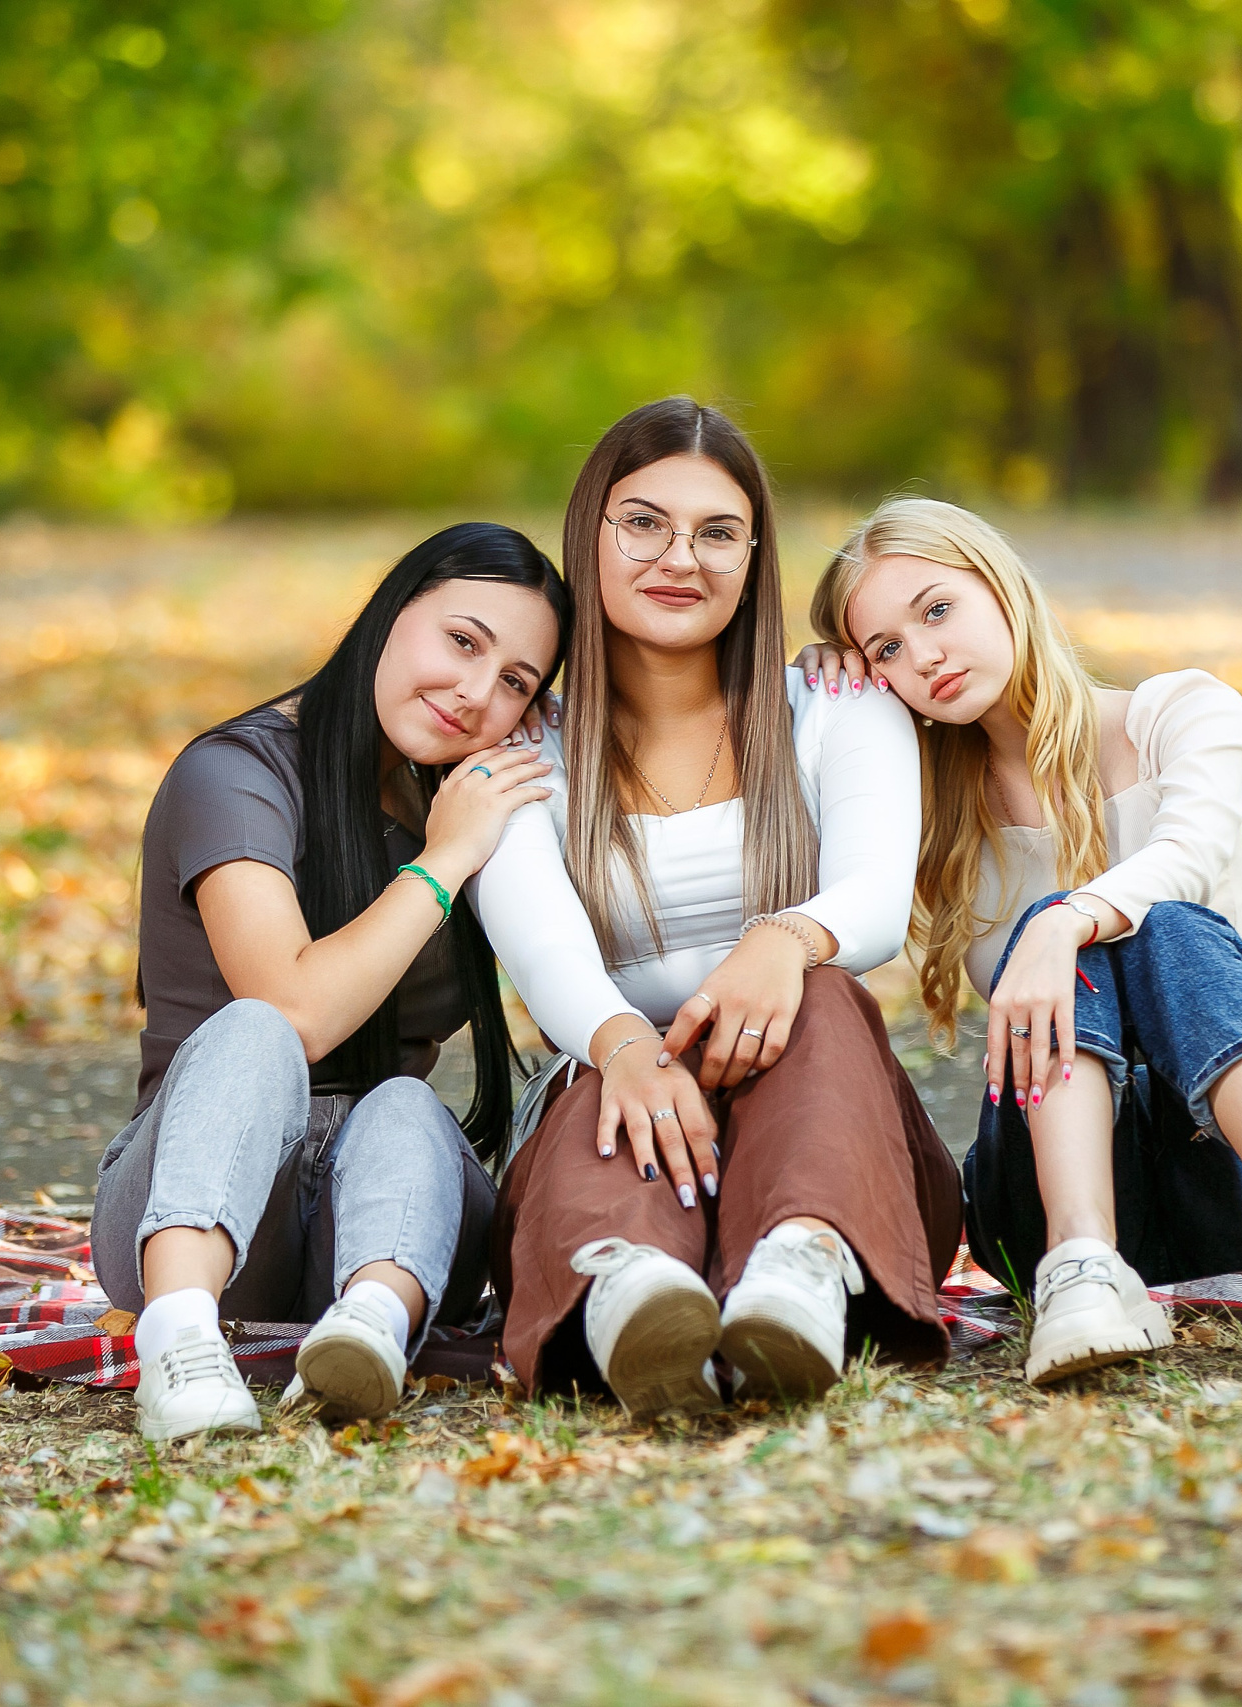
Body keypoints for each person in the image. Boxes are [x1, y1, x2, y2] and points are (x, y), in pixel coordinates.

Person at [800, 497, 1242, 1385]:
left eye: (936, 610)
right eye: (884, 648)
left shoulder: (1180, 714)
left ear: (1001, 586)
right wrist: (823, 704)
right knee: (1064, 950)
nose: (922, 655)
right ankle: (1086, 1265)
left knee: (1166, 928)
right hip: (1040, 1207)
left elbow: (1187, 853)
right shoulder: (926, 809)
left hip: (1232, 1180)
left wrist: (1064, 919)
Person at [472, 398, 961, 1419]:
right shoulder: (524, 753)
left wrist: (780, 940)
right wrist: (625, 1047)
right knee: (595, 1076)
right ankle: (633, 1298)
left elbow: (873, 894)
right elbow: (546, 952)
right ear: (590, 537)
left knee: (824, 997)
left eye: (717, 532)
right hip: (619, 1091)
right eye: (642, 523)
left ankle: (799, 1273)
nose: (678, 558)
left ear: (753, 558)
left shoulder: (836, 708)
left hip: (824, 1118)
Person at [93, 522, 570, 1441]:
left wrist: (838, 671)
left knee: (401, 1102)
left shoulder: (469, 798)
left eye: (516, 681)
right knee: (257, 1029)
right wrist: (445, 862)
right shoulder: (236, 772)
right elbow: (299, 1009)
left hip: (382, 1211)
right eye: (462, 641)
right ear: (390, 613)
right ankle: (182, 1345)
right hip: (187, 1203)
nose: (476, 693)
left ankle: (369, 1337)